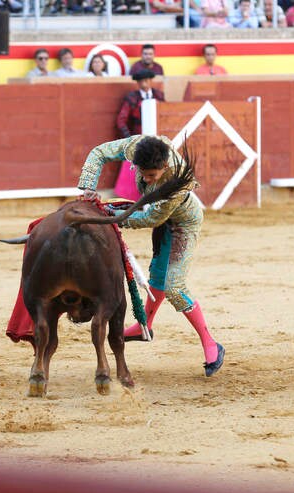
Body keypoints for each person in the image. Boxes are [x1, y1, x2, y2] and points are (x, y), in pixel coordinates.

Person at [77, 136, 226, 377]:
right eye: (142, 174)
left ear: (165, 167)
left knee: (174, 287)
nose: (145, 179)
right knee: (157, 277)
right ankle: (143, 327)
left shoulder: (176, 179)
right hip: (163, 220)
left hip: (184, 224)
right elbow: (98, 151)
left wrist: (115, 217)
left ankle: (211, 344)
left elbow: (152, 218)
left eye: (151, 176)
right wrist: (89, 188)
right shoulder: (136, 147)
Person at [114, 69, 165, 200]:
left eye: (146, 80)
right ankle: (130, 200)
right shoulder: (132, 97)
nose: (144, 83)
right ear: (137, 83)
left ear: (150, 80)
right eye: (141, 81)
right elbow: (121, 120)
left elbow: (164, 116)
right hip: (138, 139)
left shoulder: (159, 95)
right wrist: (130, 139)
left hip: (157, 140)